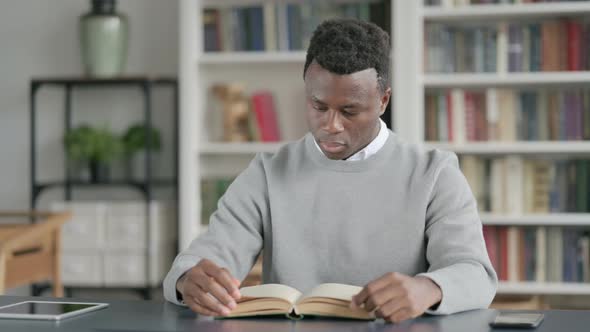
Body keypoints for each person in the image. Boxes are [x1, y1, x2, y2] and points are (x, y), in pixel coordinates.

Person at [164, 18, 497, 323]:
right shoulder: (267, 172)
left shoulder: (435, 173)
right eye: (318, 106)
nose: (331, 125)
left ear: (383, 101)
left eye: (349, 111)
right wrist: (188, 279)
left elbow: (475, 273)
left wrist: (429, 288)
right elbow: (205, 256)